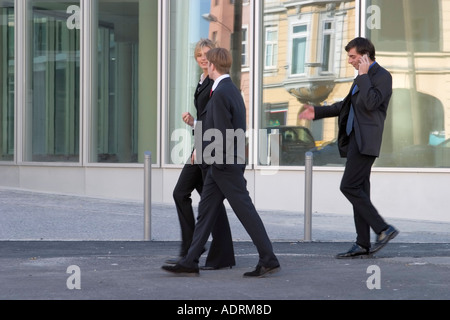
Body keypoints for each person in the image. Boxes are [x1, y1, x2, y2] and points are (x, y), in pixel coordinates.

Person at [162, 48, 280, 277]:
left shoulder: (221, 93)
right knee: (206, 213)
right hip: (223, 163)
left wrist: (209, 158)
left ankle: (269, 258)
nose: (205, 65)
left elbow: (222, 133)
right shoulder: (231, 89)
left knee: (245, 211)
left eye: (208, 63)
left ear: (213, 66)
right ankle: (190, 261)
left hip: (223, 164)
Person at [299, 37, 399, 259]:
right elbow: (344, 106)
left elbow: (372, 103)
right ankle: (362, 243)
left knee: (349, 187)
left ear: (365, 56)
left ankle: (383, 228)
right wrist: (317, 111)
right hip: (355, 140)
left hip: (366, 142)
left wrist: (363, 76)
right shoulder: (360, 79)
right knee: (359, 191)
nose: (350, 61)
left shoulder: (382, 76)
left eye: (353, 57)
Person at [167, 39, 235, 270]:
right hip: (202, 145)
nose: (203, 58)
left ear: (215, 55)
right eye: (199, 55)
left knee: (210, 201)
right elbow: (207, 117)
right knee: (184, 194)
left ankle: (212, 254)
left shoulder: (217, 83)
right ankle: (191, 249)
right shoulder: (204, 81)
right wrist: (194, 123)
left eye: (207, 54)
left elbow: (215, 120)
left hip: (207, 148)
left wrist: (198, 145)